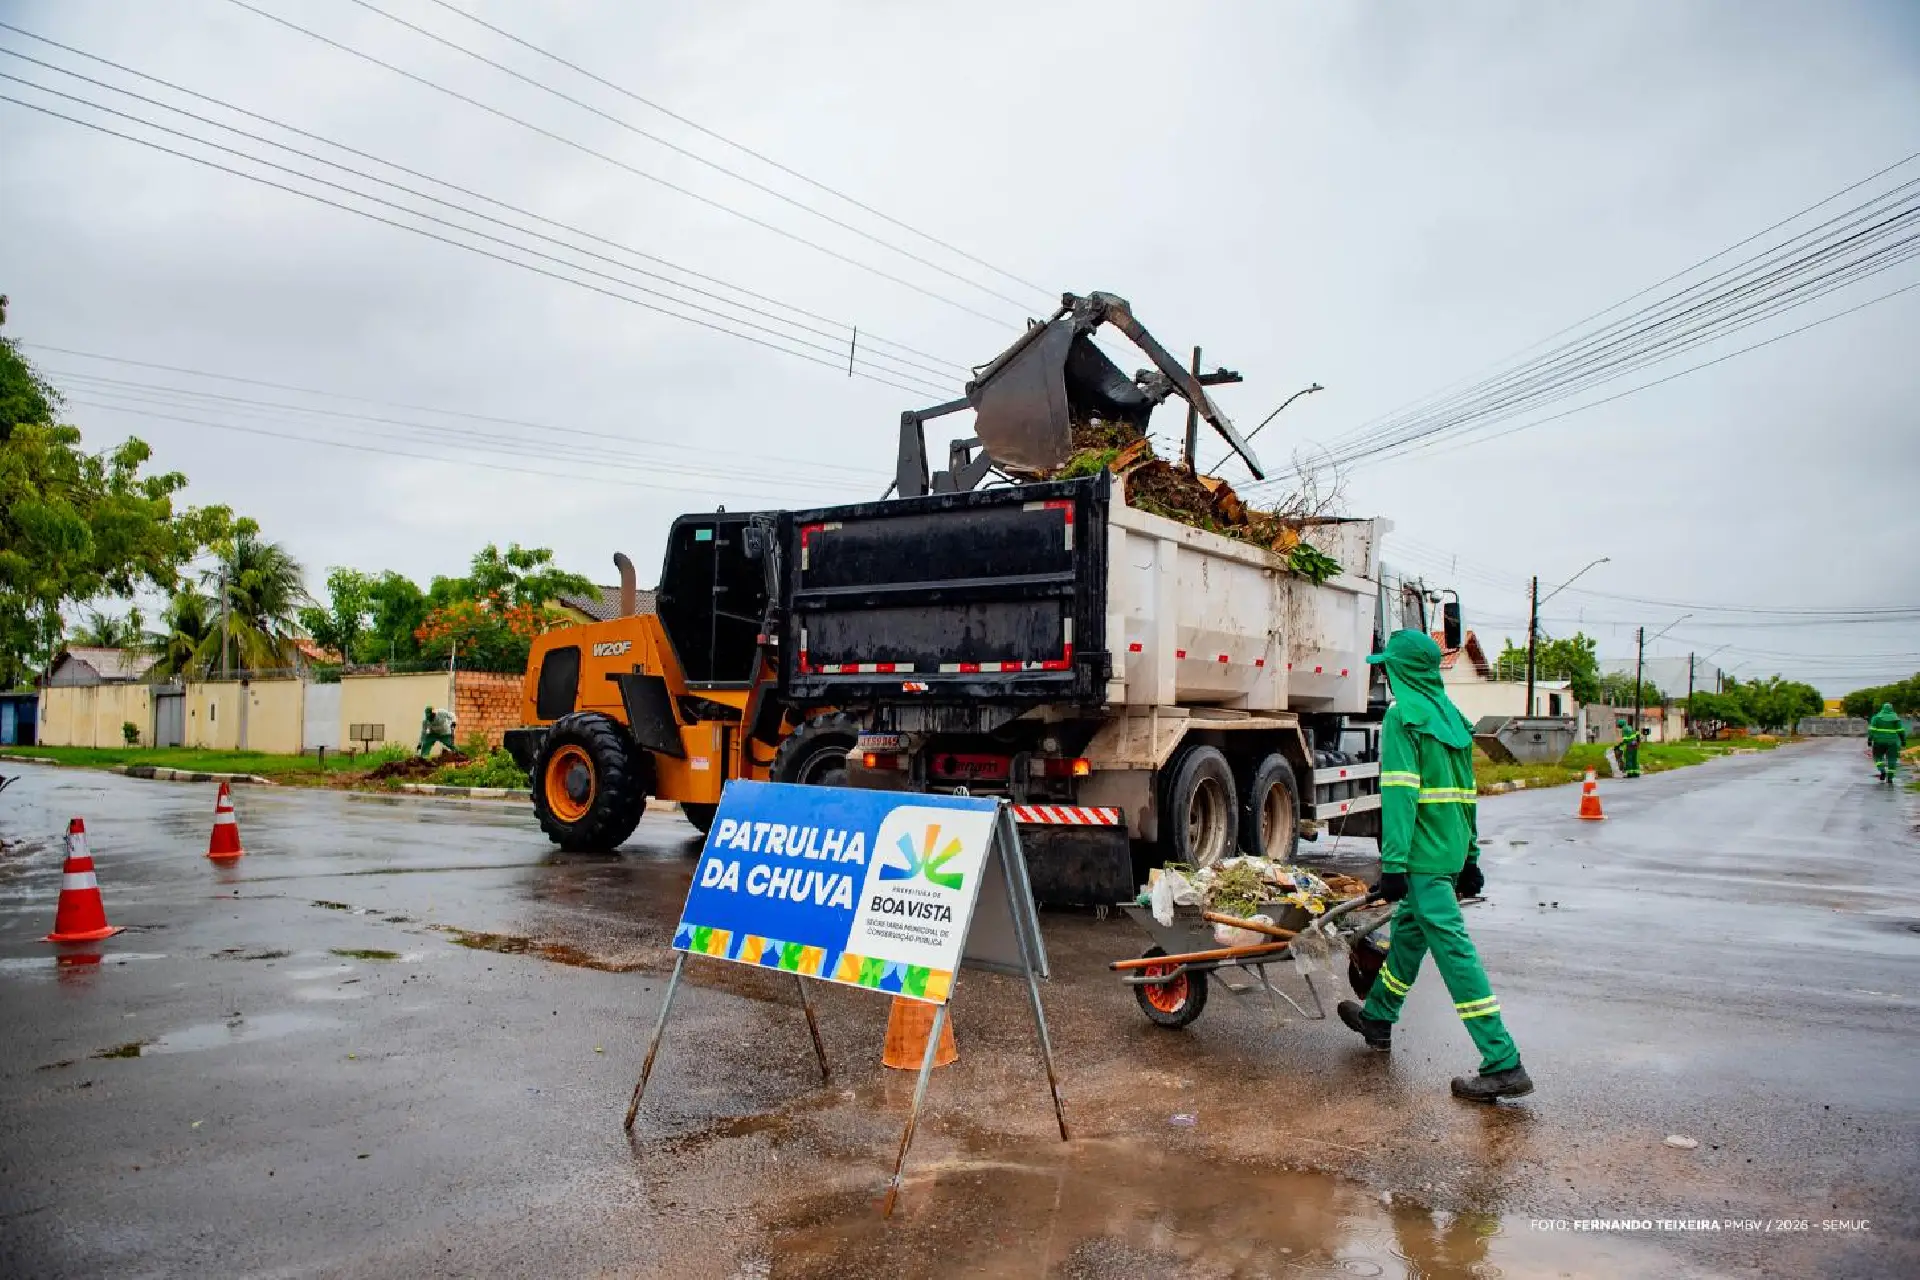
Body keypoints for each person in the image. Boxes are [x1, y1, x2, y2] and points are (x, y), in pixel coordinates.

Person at [1338, 629, 1532, 1103]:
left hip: (1422, 861)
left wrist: (1395, 865)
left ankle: (1503, 1060)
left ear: (1402, 671)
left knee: (1455, 953)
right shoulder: (1453, 719)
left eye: (1388, 665)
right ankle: (1378, 1017)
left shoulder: (1403, 718)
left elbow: (1400, 795)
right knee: (1408, 936)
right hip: (1446, 855)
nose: (1383, 671)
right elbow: (1467, 796)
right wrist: (1470, 857)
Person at [1867, 702, 1906, 785]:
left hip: (1878, 742)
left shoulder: (1876, 718)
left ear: (1882, 708)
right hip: (1892, 742)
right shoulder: (1896, 719)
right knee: (1892, 759)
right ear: (1891, 709)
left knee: (1878, 757)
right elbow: (1901, 731)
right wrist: (1903, 741)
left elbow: (1872, 730)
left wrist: (1870, 740)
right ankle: (1890, 778)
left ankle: (1882, 770)